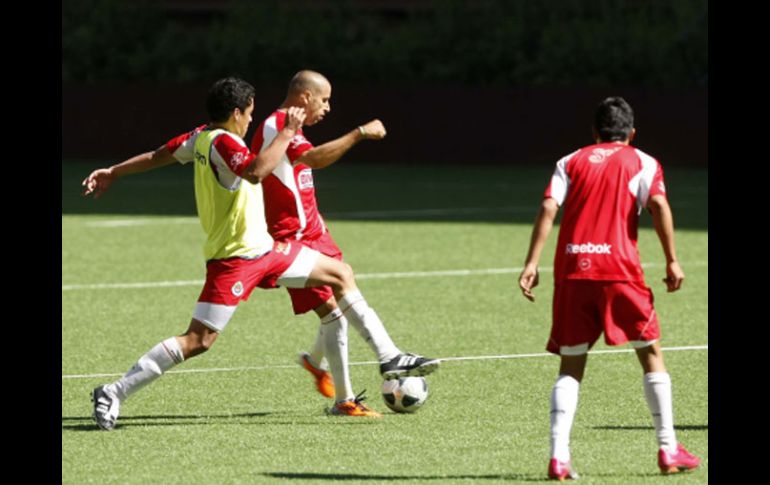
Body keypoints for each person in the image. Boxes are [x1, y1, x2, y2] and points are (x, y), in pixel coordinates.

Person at [82, 77, 385, 430]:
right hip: (234, 260)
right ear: (236, 112)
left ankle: (375, 371)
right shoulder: (224, 142)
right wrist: (287, 132)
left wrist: (114, 172)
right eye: (250, 114)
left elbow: (157, 155)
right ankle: (114, 392)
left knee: (340, 275)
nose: (251, 121)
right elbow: (256, 172)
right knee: (198, 341)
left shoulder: (200, 136)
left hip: (268, 251)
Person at [517, 97, 701, 479]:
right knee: (650, 352)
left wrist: (532, 263)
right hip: (619, 269)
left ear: (594, 132)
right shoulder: (643, 161)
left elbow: (550, 206)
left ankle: (559, 456)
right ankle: (668, 449)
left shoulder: (570, 161)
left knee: (571, 364)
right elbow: (659, 205)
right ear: (631, 133)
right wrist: (671, 258)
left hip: (573, 269)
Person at [250, 70, 439, 414]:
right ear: (305, 97)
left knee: (340, 297)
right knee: (335, 312)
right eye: (324, 100)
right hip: (289, 239)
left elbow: (298, 178)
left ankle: (316, 363)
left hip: (314, 232)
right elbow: (315, 159)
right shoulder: (278, 126)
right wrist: (359, 133)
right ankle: (359, 386)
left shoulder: (290, 127)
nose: (328, 107)